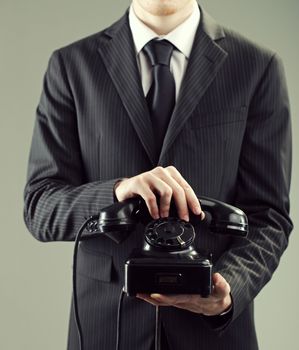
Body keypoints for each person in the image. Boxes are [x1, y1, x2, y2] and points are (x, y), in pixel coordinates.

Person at [23, 0, 293, 349]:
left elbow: (268, 215)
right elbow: (39, 205)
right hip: (104, 330)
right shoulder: (71, 66)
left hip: (212, 336)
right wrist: (117, 192)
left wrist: (229, 289)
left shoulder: (258, 68)